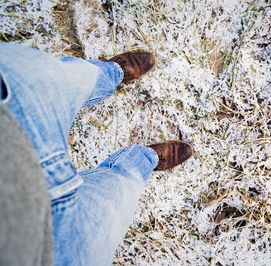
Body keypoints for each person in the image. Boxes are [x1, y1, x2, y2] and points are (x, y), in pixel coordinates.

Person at [0, 42, 193, 265]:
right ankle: (146, 160)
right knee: (118, 193)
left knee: (55, 81)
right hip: (51, 250)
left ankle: (110, 74)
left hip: (10, 124)